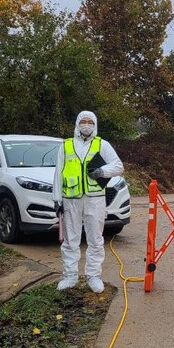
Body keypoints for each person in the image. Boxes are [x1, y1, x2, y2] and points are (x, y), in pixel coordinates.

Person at [53, 110, 124, 293]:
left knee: (95, 239)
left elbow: (118, 166)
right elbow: (58, 174)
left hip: (95, 199)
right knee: (70, 240)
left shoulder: (102, 144)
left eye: (90, 122)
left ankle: (94, 276)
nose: (86, 125)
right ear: (77, 124)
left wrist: (101, 172)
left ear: (95, 124)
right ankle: (70, 276)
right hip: (71, 199)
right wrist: (57, 199)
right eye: (83, 121)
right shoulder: (66, 145)